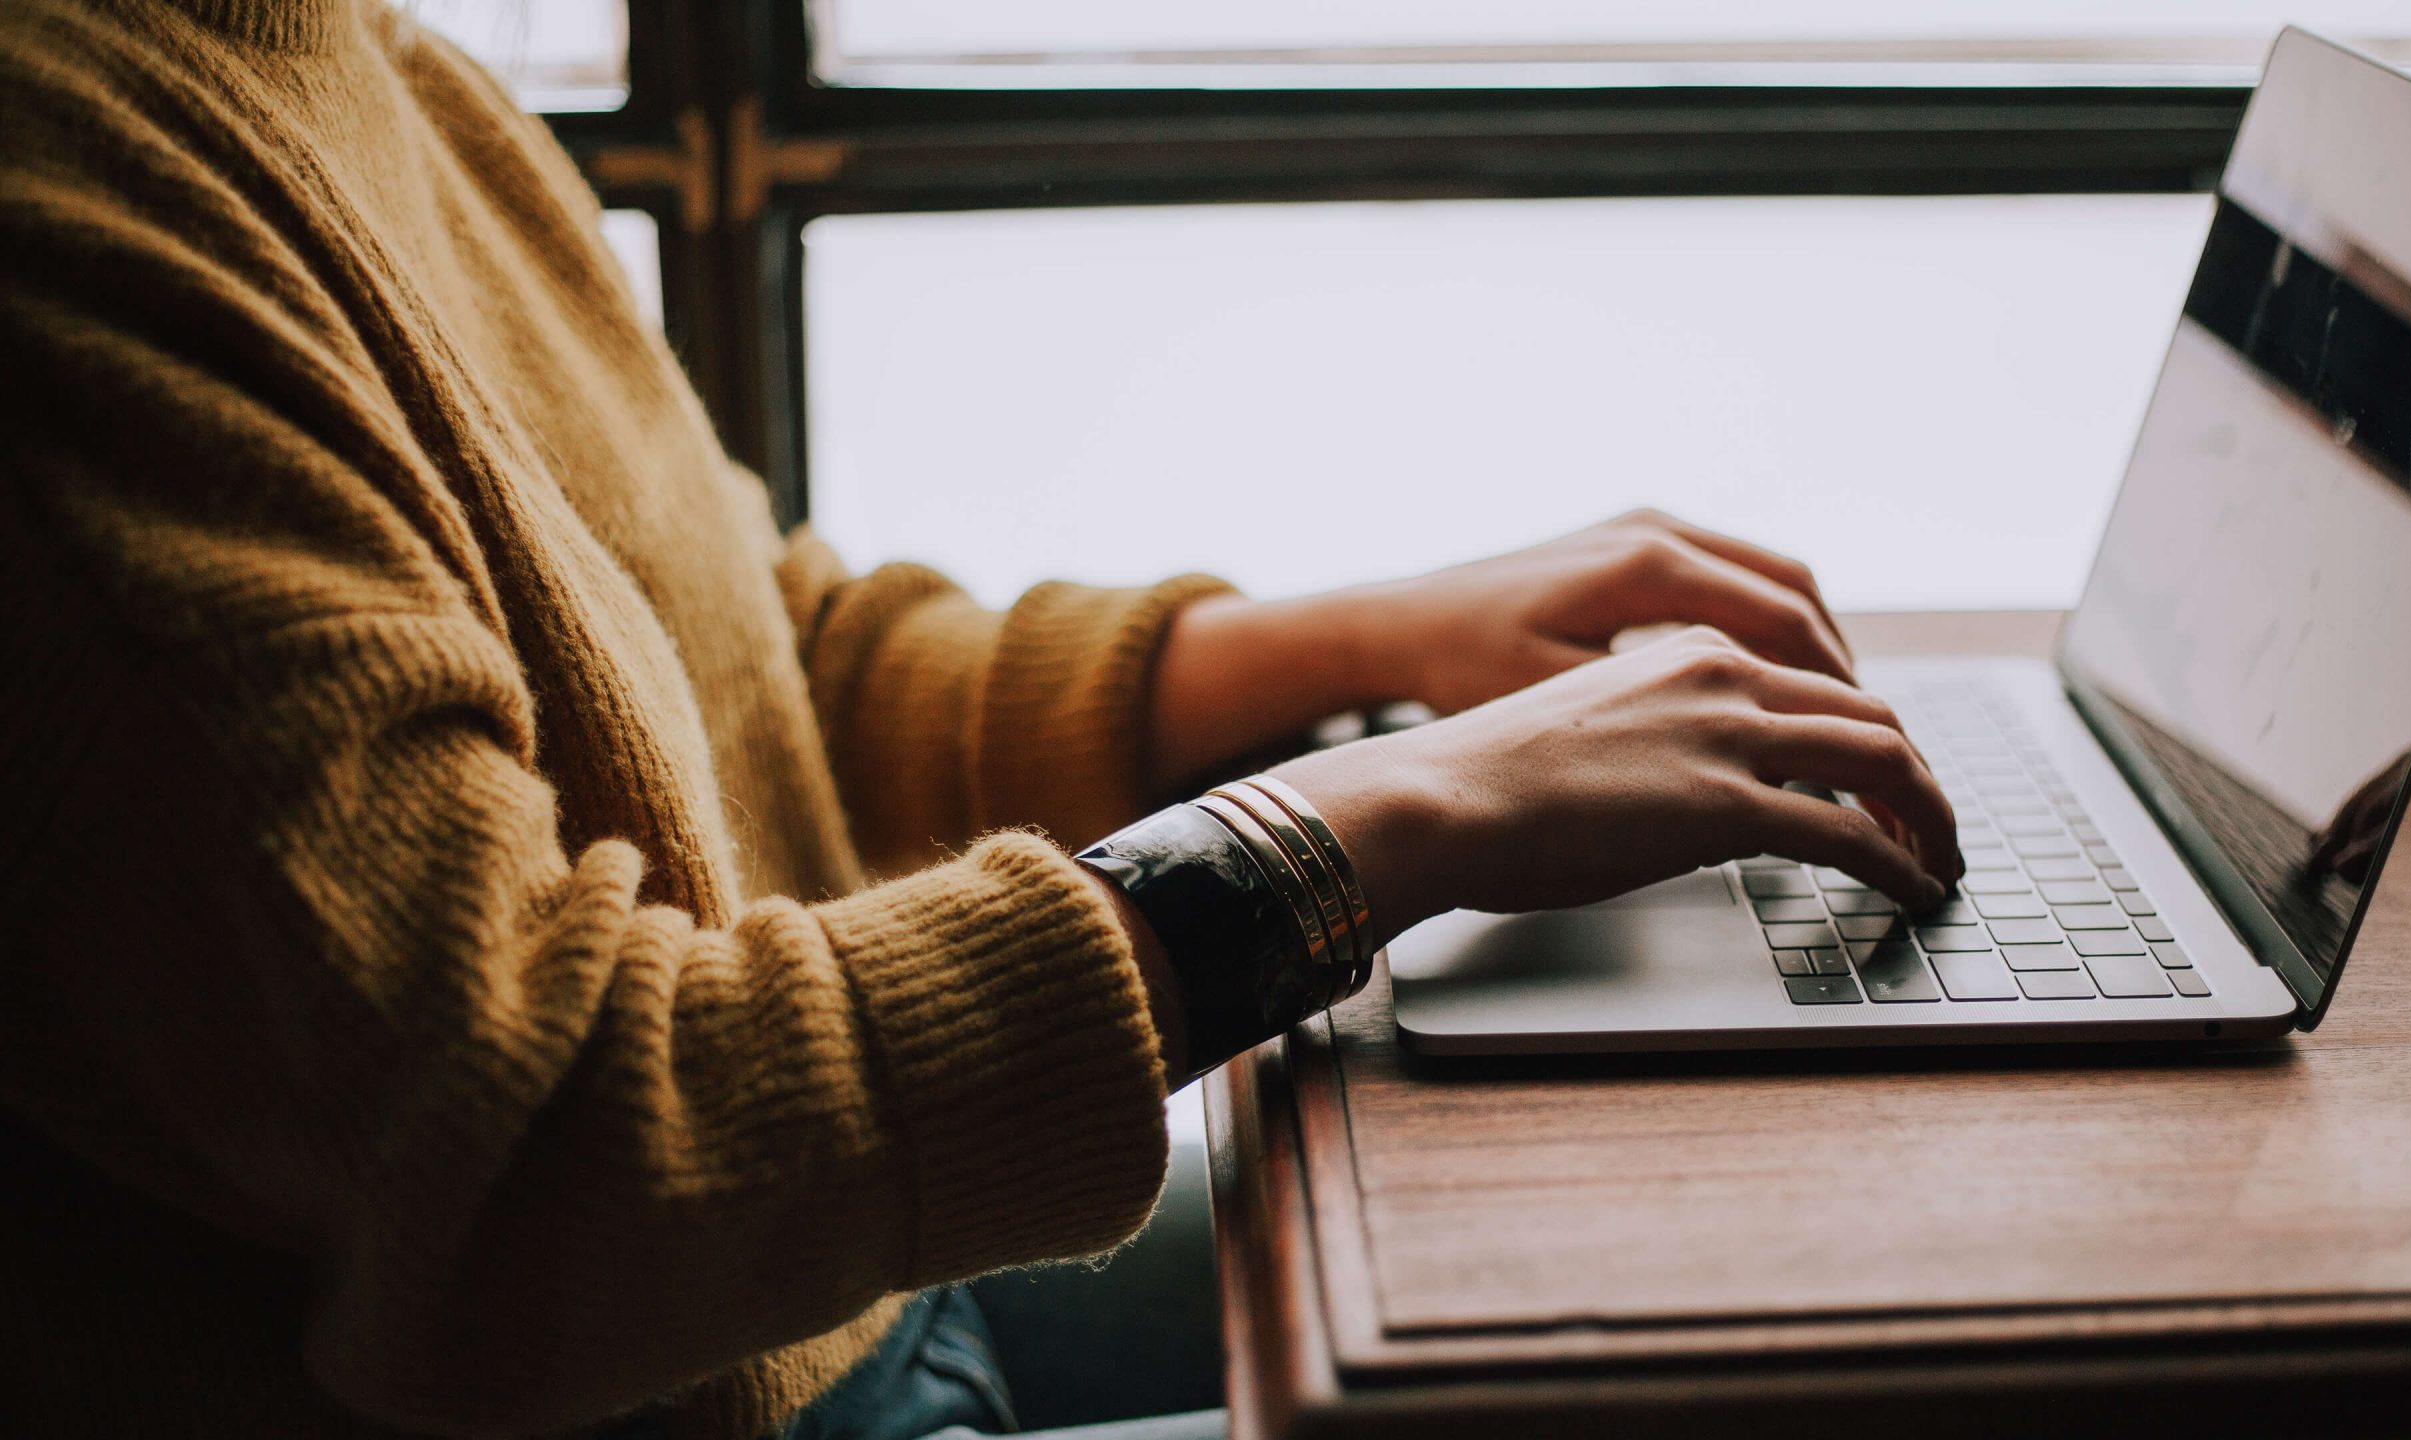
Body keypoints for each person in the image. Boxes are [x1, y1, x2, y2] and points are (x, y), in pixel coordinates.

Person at [0, 3, 1960, 1438]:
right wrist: (1371, 820)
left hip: (822, 1309)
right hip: (692, 1380)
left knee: (1759, 1288)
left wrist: (1362, 646)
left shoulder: (354, 61)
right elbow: (545, 1169)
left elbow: (745, 666)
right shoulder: (69, 209)